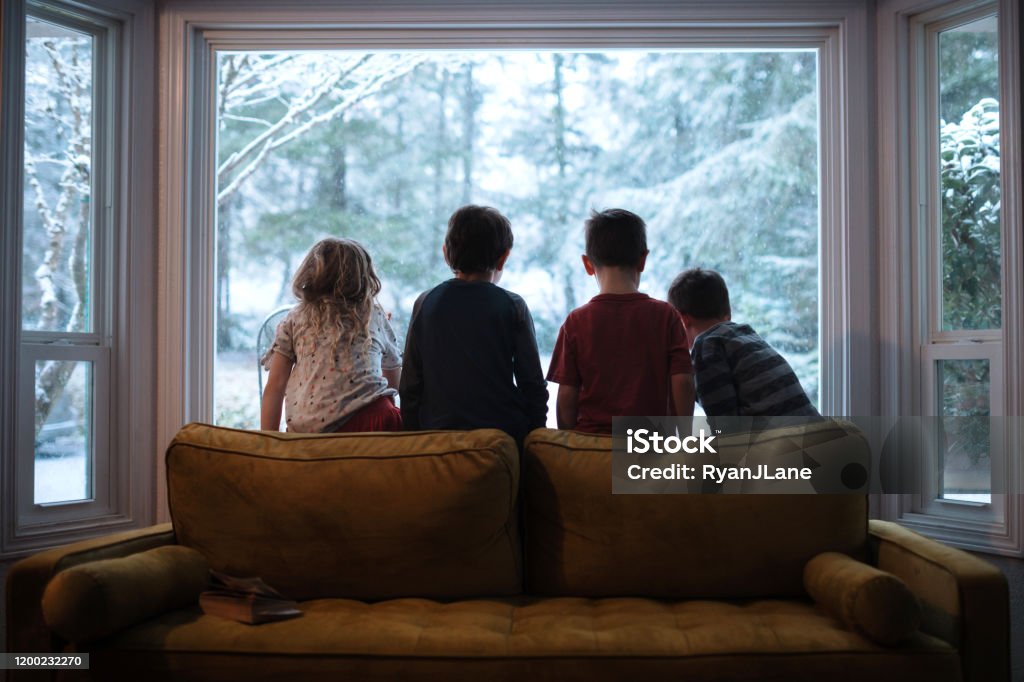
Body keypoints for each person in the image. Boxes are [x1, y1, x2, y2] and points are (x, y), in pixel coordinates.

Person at [399, 205, 548, 444]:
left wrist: (416, 439)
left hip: (437, 438)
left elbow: (410, 386)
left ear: (446, 254)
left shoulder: (426, 303)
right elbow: (533, 386)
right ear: (503, 258)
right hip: (500, 438)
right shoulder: (512, 305)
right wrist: (534, 441)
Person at [547, 209, 695, 433]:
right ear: (643, 260)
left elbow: (567, 395)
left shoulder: (575, 322)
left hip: (591, 446)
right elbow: (682, 382)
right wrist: (683, 437)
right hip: (648, 447)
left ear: (587, 264)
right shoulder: (666, 316)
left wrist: (569, 441)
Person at [260, 238, 403, 433]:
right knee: (390, 409)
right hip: (372, 421)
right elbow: (394, 381)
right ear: (365, 277)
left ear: (309, 273)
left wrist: (269, 442)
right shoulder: (374, 315)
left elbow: (275, 385)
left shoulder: (294, 318)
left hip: (311, 427)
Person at [667, 267, 820, 418]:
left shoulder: (707, 346)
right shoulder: (746, 335)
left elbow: (726, 428)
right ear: (728, 313)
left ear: (682, 320)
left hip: (782, 440)